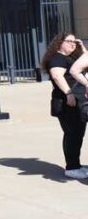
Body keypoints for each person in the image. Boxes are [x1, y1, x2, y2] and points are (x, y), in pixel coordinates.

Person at [41, 32, 88, 178]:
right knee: (73, 134)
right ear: (59, 42)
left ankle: (76, 165)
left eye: (75, 41)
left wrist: (83, 48)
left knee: (77, 134)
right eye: (69, 41)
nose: (73, 44)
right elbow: (57, 76)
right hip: (66, 102)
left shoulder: (71, 57)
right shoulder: (58, 58)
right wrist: (68, 93)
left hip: (76, 102)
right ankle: (72, 167)